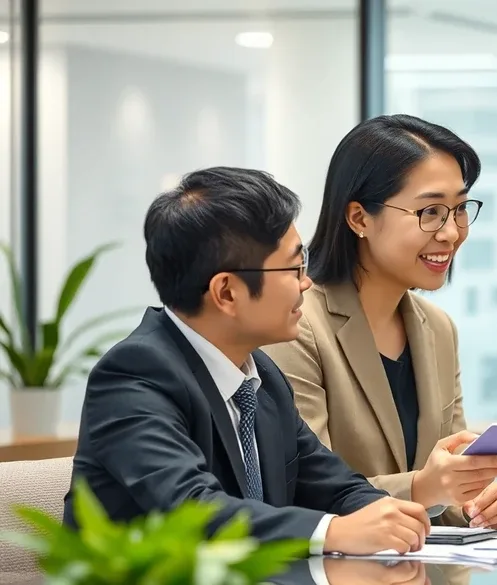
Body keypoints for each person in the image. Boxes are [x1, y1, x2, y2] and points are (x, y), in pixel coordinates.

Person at [64, 167, 432, 557]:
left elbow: (333, 485)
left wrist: (392, 515)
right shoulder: (134, 376)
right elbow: (193, 510)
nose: (306, 282)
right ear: (226, 292)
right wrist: (333, 532)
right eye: (294, 268)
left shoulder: (261, 377)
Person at [263, 114, 497, 530]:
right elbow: (302, 491)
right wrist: (423, 487)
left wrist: (480, 503)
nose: (452, 232)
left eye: (459, 209)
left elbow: (446, 489)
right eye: (431, 211)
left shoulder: (437, 329)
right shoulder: (296, 326)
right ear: (359, 218)